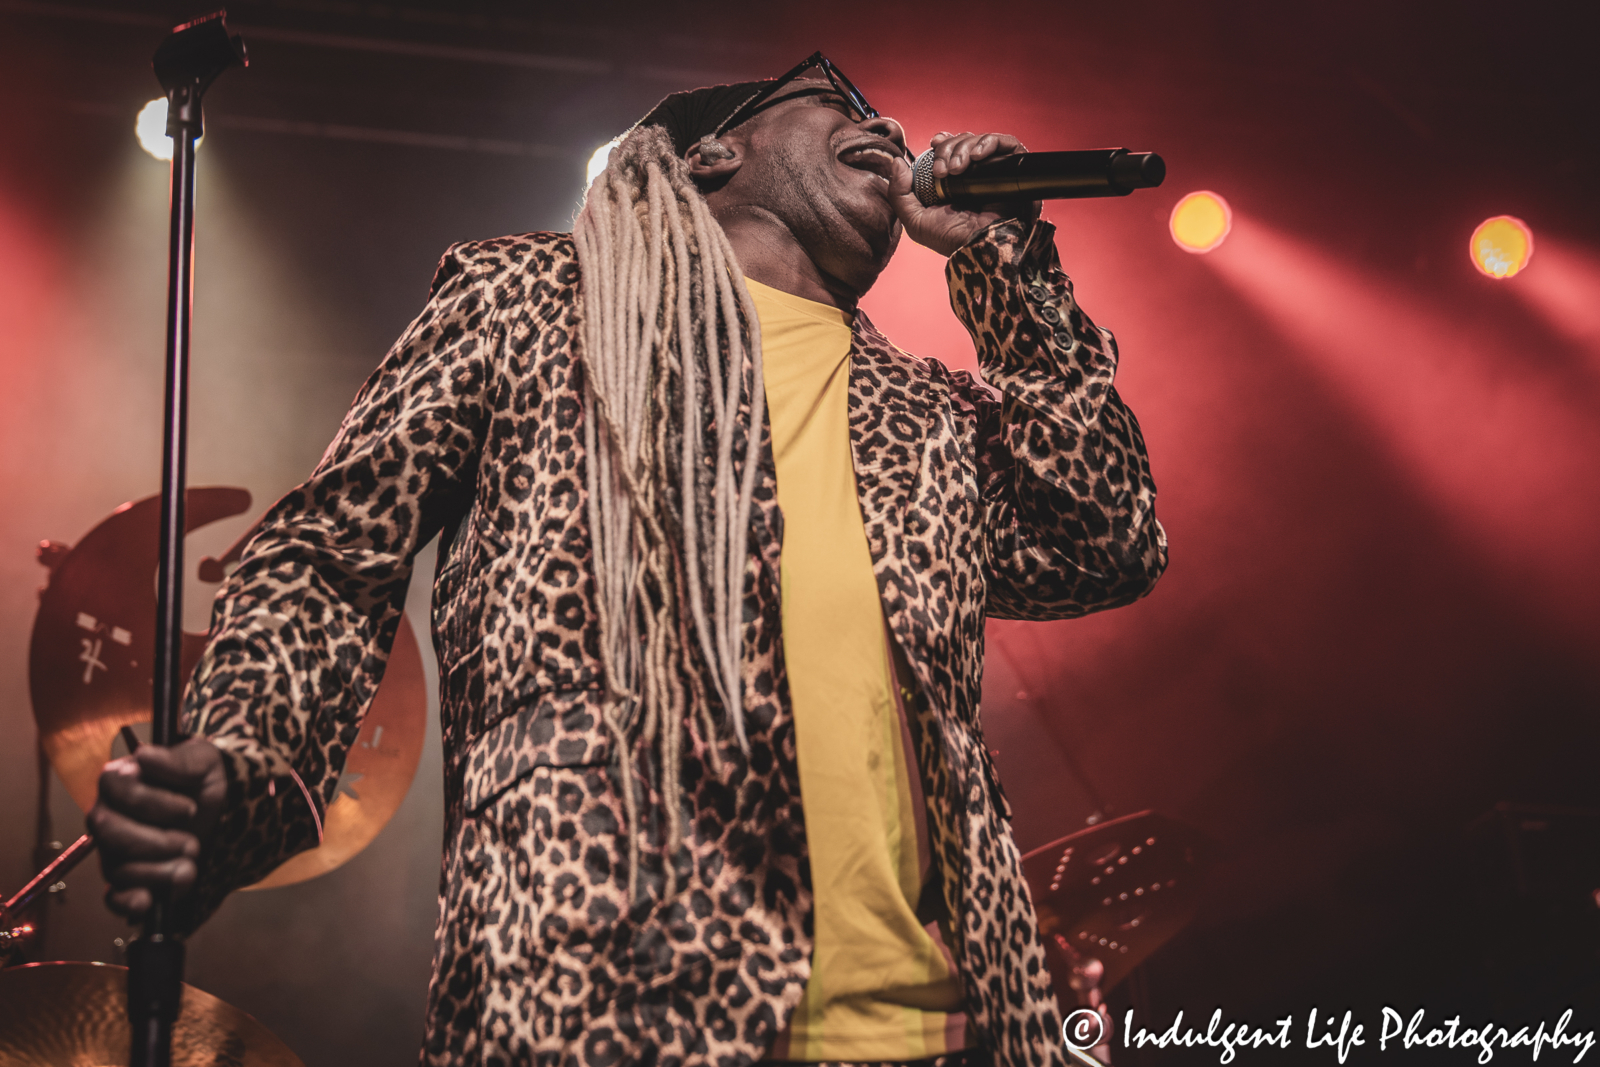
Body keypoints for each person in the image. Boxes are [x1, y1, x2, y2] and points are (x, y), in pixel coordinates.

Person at [89, 53, 1167, 1067]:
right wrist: (245, 756)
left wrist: (1006, 264)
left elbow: (1106, 537)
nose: (883, 125)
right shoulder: (531, 301)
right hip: (609, 997)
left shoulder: (927, 408)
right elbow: (332, 555)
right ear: (711, 153)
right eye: (834, 97)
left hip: (945, 1024)